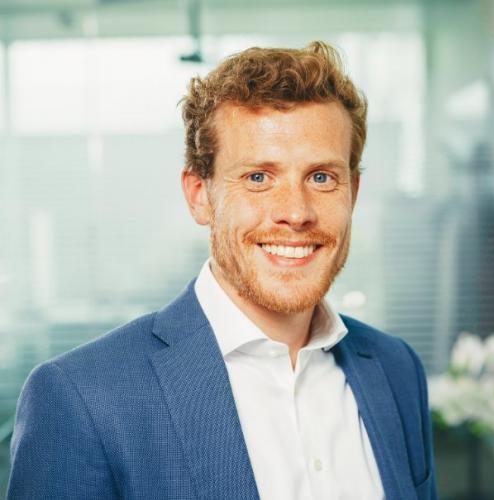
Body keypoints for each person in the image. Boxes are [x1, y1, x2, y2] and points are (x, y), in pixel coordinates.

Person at [7, 41, 437, 500]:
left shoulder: (396, 369)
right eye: (258, 177)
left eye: (321, 177)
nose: (296, 212)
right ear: (200, 196)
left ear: (353, 192)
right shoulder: (81, 398)